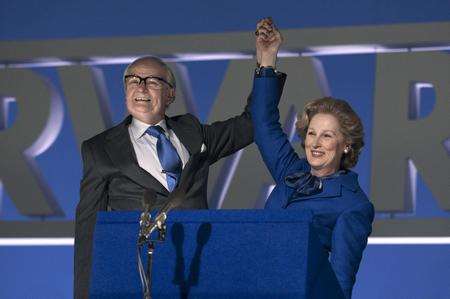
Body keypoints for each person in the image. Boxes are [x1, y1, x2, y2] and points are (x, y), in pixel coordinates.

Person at [74, 56, 253, 298]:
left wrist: (266, 62)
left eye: (153, 81)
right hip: (137, 281)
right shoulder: (99, 149)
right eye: (133, 80)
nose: (141, 87)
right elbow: (88, 232)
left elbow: (250, 125)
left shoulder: (193, 133)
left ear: (171, 95)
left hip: (197, 275)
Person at [251, 18, 374, 299]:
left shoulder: (354, 205)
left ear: (346, 145)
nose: (316, 144)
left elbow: (339, 283)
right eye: (312, 134)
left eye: (327, 136)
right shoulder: (290, 172)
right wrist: (267, 59)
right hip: (253, 285)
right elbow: (263, 123)